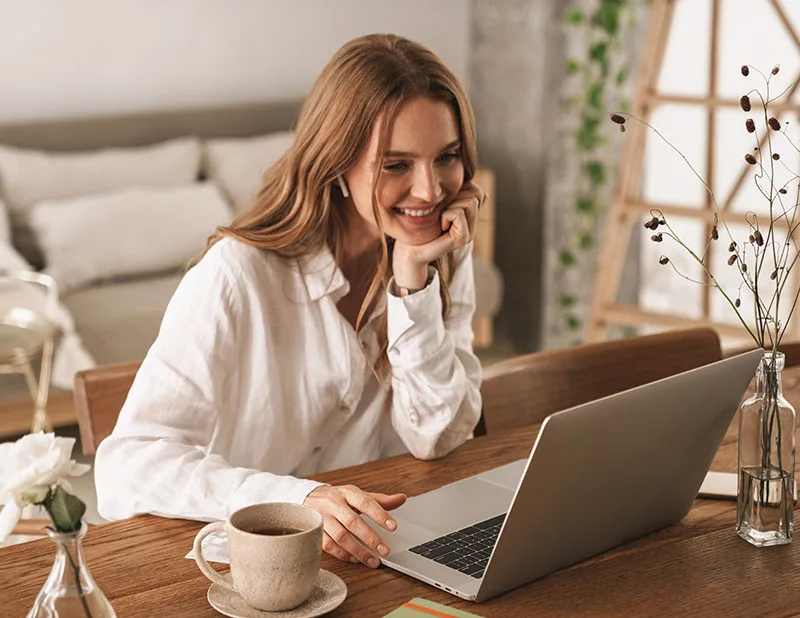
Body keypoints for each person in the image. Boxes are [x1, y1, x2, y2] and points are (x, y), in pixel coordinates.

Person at [95, 33, 485, 570]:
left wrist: (413, 286)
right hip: (237, 572)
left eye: (447, 157)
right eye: (396, 165)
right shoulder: (237, 275)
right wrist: (298, 499)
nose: (430, 190)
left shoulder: (438, 256)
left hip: (371, 556)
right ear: (337, 163)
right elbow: (125, 467)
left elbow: (437, 437)